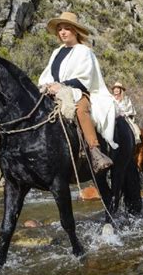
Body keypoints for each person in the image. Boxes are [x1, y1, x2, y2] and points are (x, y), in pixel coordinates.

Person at [38, 12, 114, 173]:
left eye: (67, 28)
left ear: (75, 31)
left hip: (78, 92)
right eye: (60, 29)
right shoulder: (56, 52)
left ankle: (95, 151)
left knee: (80, 109)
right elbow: (47, 74)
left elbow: (84, 77)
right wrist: (48, 86)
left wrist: (62, 85)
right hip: (55, 92)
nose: (63, 32)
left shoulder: (84, 51)